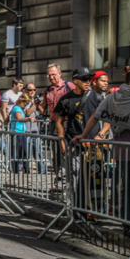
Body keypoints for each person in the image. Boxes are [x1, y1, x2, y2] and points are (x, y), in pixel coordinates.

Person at [72, 65, 130, 238]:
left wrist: (84, 134)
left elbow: (96, 115)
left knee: (128, 188)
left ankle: (129, 225)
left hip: (122, 151)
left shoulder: (115, 95)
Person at [54, 67, 103, 198]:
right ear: (75, 81)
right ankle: (74, 206)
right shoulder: (66, 99)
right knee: (74, 175)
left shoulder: (97, 97)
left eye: (90, 79)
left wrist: (101, 135)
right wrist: (62, 142)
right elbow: (58, 122)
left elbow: (107, 118)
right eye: (84, 79)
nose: (89, 82)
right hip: (73, 143)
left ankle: (91, 208)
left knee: (93, 176)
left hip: (93, 145)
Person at [9, 93, 37, 173]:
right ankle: (15, 169)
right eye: (26, 103)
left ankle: (26, 168)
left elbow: (27, 113)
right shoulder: (16, 108)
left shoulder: (21, 109)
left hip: (22, 132)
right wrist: (29, 118)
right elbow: (20, 119)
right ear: (22, 101)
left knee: (24, 151)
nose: (27, 104)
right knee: (16, 152)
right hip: (16, 132)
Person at [23, 83, 46, 173]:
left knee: (38, 151)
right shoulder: (24, 100)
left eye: (34, 90)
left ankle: (42, 169)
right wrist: (34, 105)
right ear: (26, 91)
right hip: (26, 130)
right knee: (27, 152)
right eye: (30, 90)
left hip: (35, 130)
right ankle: (26, 169)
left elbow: (42, 111)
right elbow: (27, 113)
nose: (32, 92)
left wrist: (38, 104)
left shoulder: (34, 101)